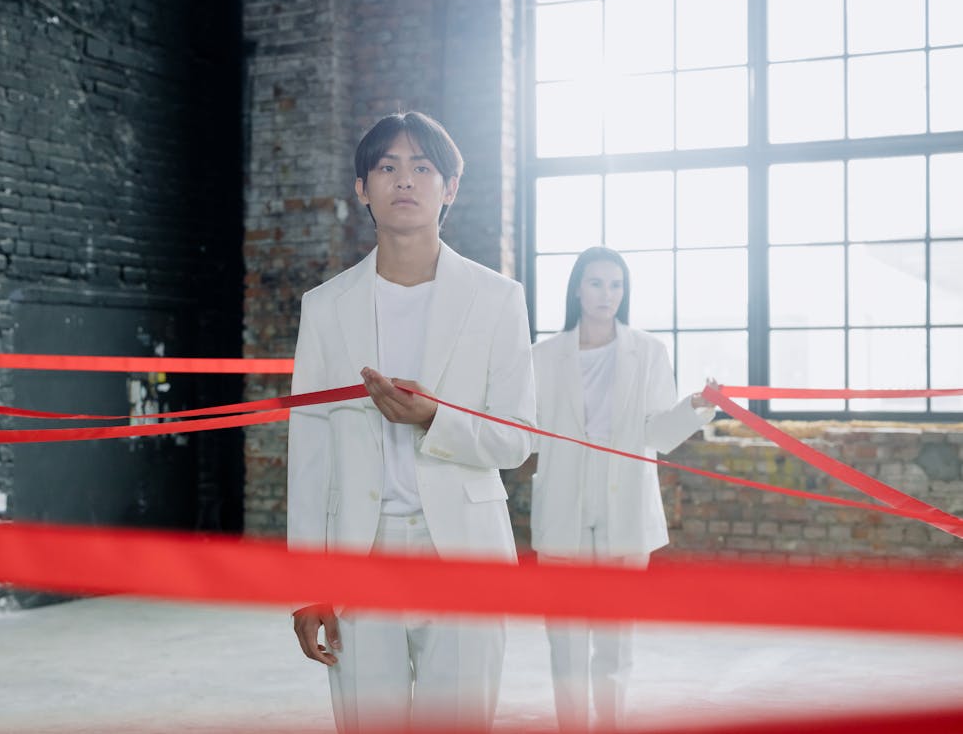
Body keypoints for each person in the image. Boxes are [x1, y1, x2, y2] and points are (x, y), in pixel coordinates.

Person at [287, 112, 536, 733]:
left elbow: (517, 439)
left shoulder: (498, 299)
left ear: (449, 188)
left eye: (423, 167)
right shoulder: (324, 309)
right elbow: (309, 451)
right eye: (387, 167)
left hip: (464, 553)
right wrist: (307, 585)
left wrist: (435, 419)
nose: (405, 180)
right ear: (362, 188)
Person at [530, 246, 717, 731]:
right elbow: (524, 432)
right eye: (596, 283)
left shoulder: (649, 352)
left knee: (614, 644)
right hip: (564, 507)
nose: (606, 294)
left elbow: (656, 433)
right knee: (565, 643)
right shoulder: (543, 356)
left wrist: (694, 407)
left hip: (625, 511)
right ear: (577, 288)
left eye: (616, 285)